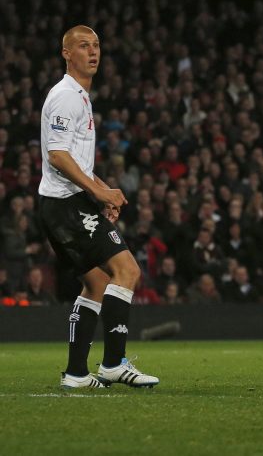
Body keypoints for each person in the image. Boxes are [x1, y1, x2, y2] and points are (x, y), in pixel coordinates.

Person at [37, 25, 158, 389]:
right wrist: (97, 193)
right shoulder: (66, 97)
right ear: (66, 54)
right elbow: (57, 156)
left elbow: (74, 160)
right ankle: (113, 363)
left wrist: (102, 189)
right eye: (83, 46)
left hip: (64, 204)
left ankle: (75, 374)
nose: (93, 52)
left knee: (97, 282)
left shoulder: (80, 97)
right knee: (128, 270)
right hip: (65, 205)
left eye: (97, 45)